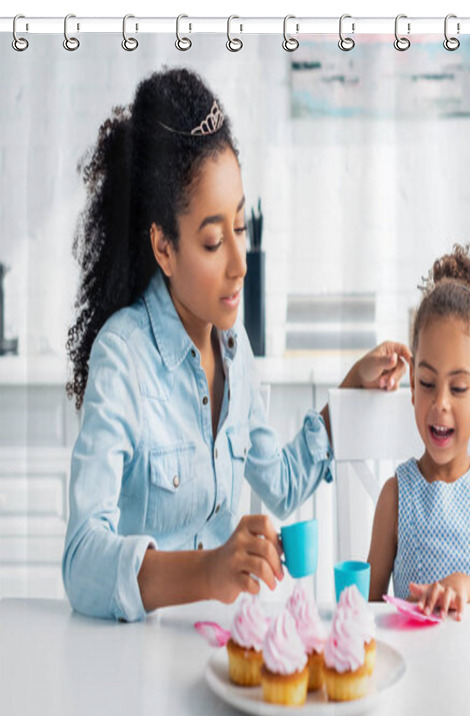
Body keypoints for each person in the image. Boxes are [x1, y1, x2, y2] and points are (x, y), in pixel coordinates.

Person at [62, 67, 410, 622]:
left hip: (216, 648)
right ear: (164, 248)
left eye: (241, 228)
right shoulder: (123, 357)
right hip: (134, 663)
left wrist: (348, 393)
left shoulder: (232, 348)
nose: (240, 263)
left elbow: (282, 484)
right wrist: (208, 571)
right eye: (212, 241)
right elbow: (81, 561)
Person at [366, 244, 470, 620]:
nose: (441, 403)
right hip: (409, 667)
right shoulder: (395, 495)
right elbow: (365, 606)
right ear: (412, 386)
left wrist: (465, 586)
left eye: (459, 388)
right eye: (428, 382)